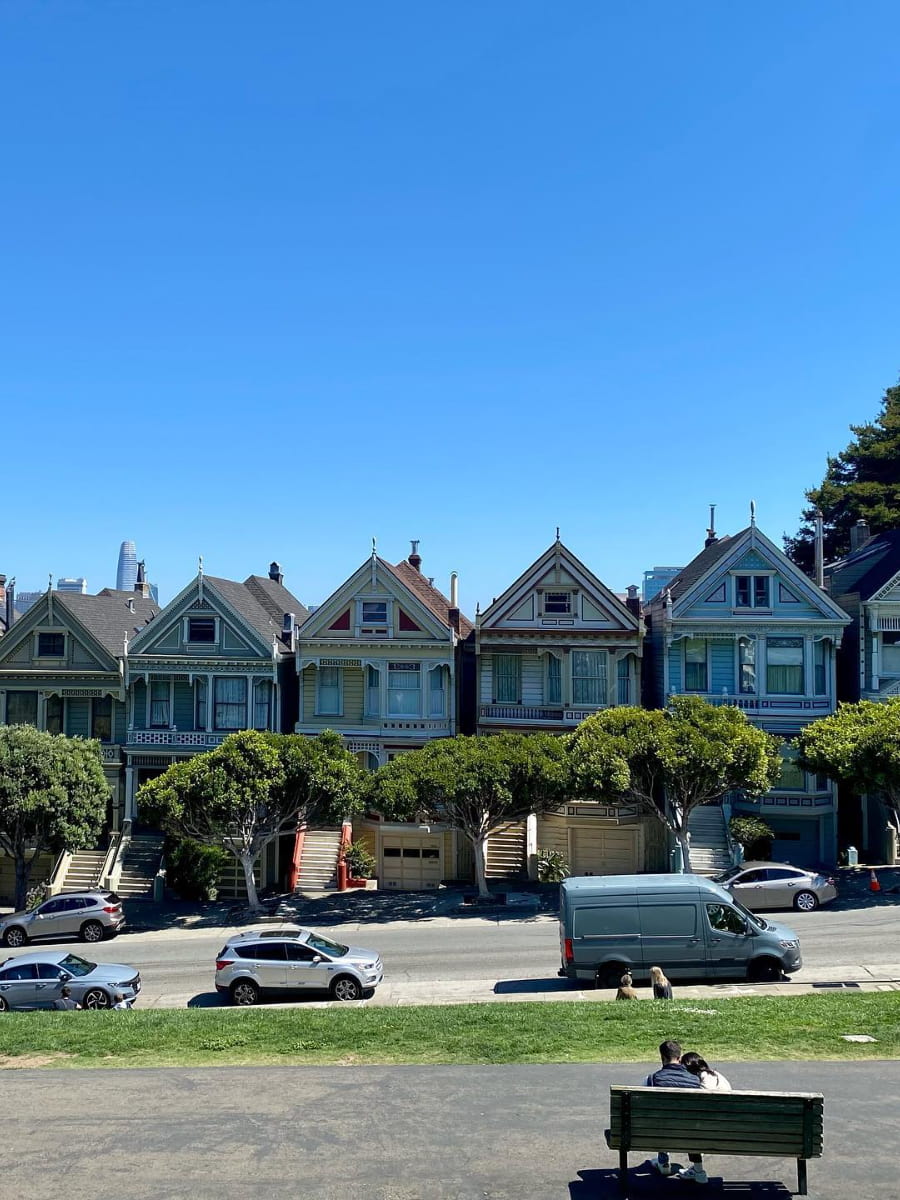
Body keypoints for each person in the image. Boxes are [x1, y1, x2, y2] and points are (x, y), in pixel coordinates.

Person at [644, 1039, 707, 1184]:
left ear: (662, 1057)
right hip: (691, 1133)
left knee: (660, 1119)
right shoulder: (695, 1081)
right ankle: (699, 1171)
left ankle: (663, 1162)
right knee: (692, 1123)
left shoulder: (651, 1080)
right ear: (680, 1057)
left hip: (659, 1132)